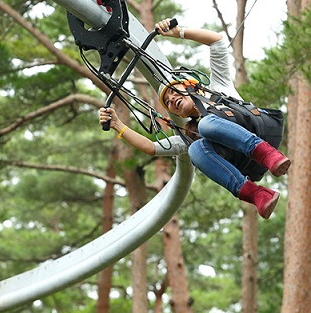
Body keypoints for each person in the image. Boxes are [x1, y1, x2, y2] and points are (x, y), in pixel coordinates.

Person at [98, 18, 291, 219]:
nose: (172, 99)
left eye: (174, 92)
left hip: (258, 129)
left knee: (207, 124)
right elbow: (150, 147)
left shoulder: (219, 87)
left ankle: (267, 153)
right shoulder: (191, 132)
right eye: (169, 103)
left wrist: (178, 32)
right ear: (178, 115)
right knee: (194, 148)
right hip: (246, 162)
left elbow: (216, 41)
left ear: (191, 85)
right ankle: (256, 193)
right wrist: (117, 124)